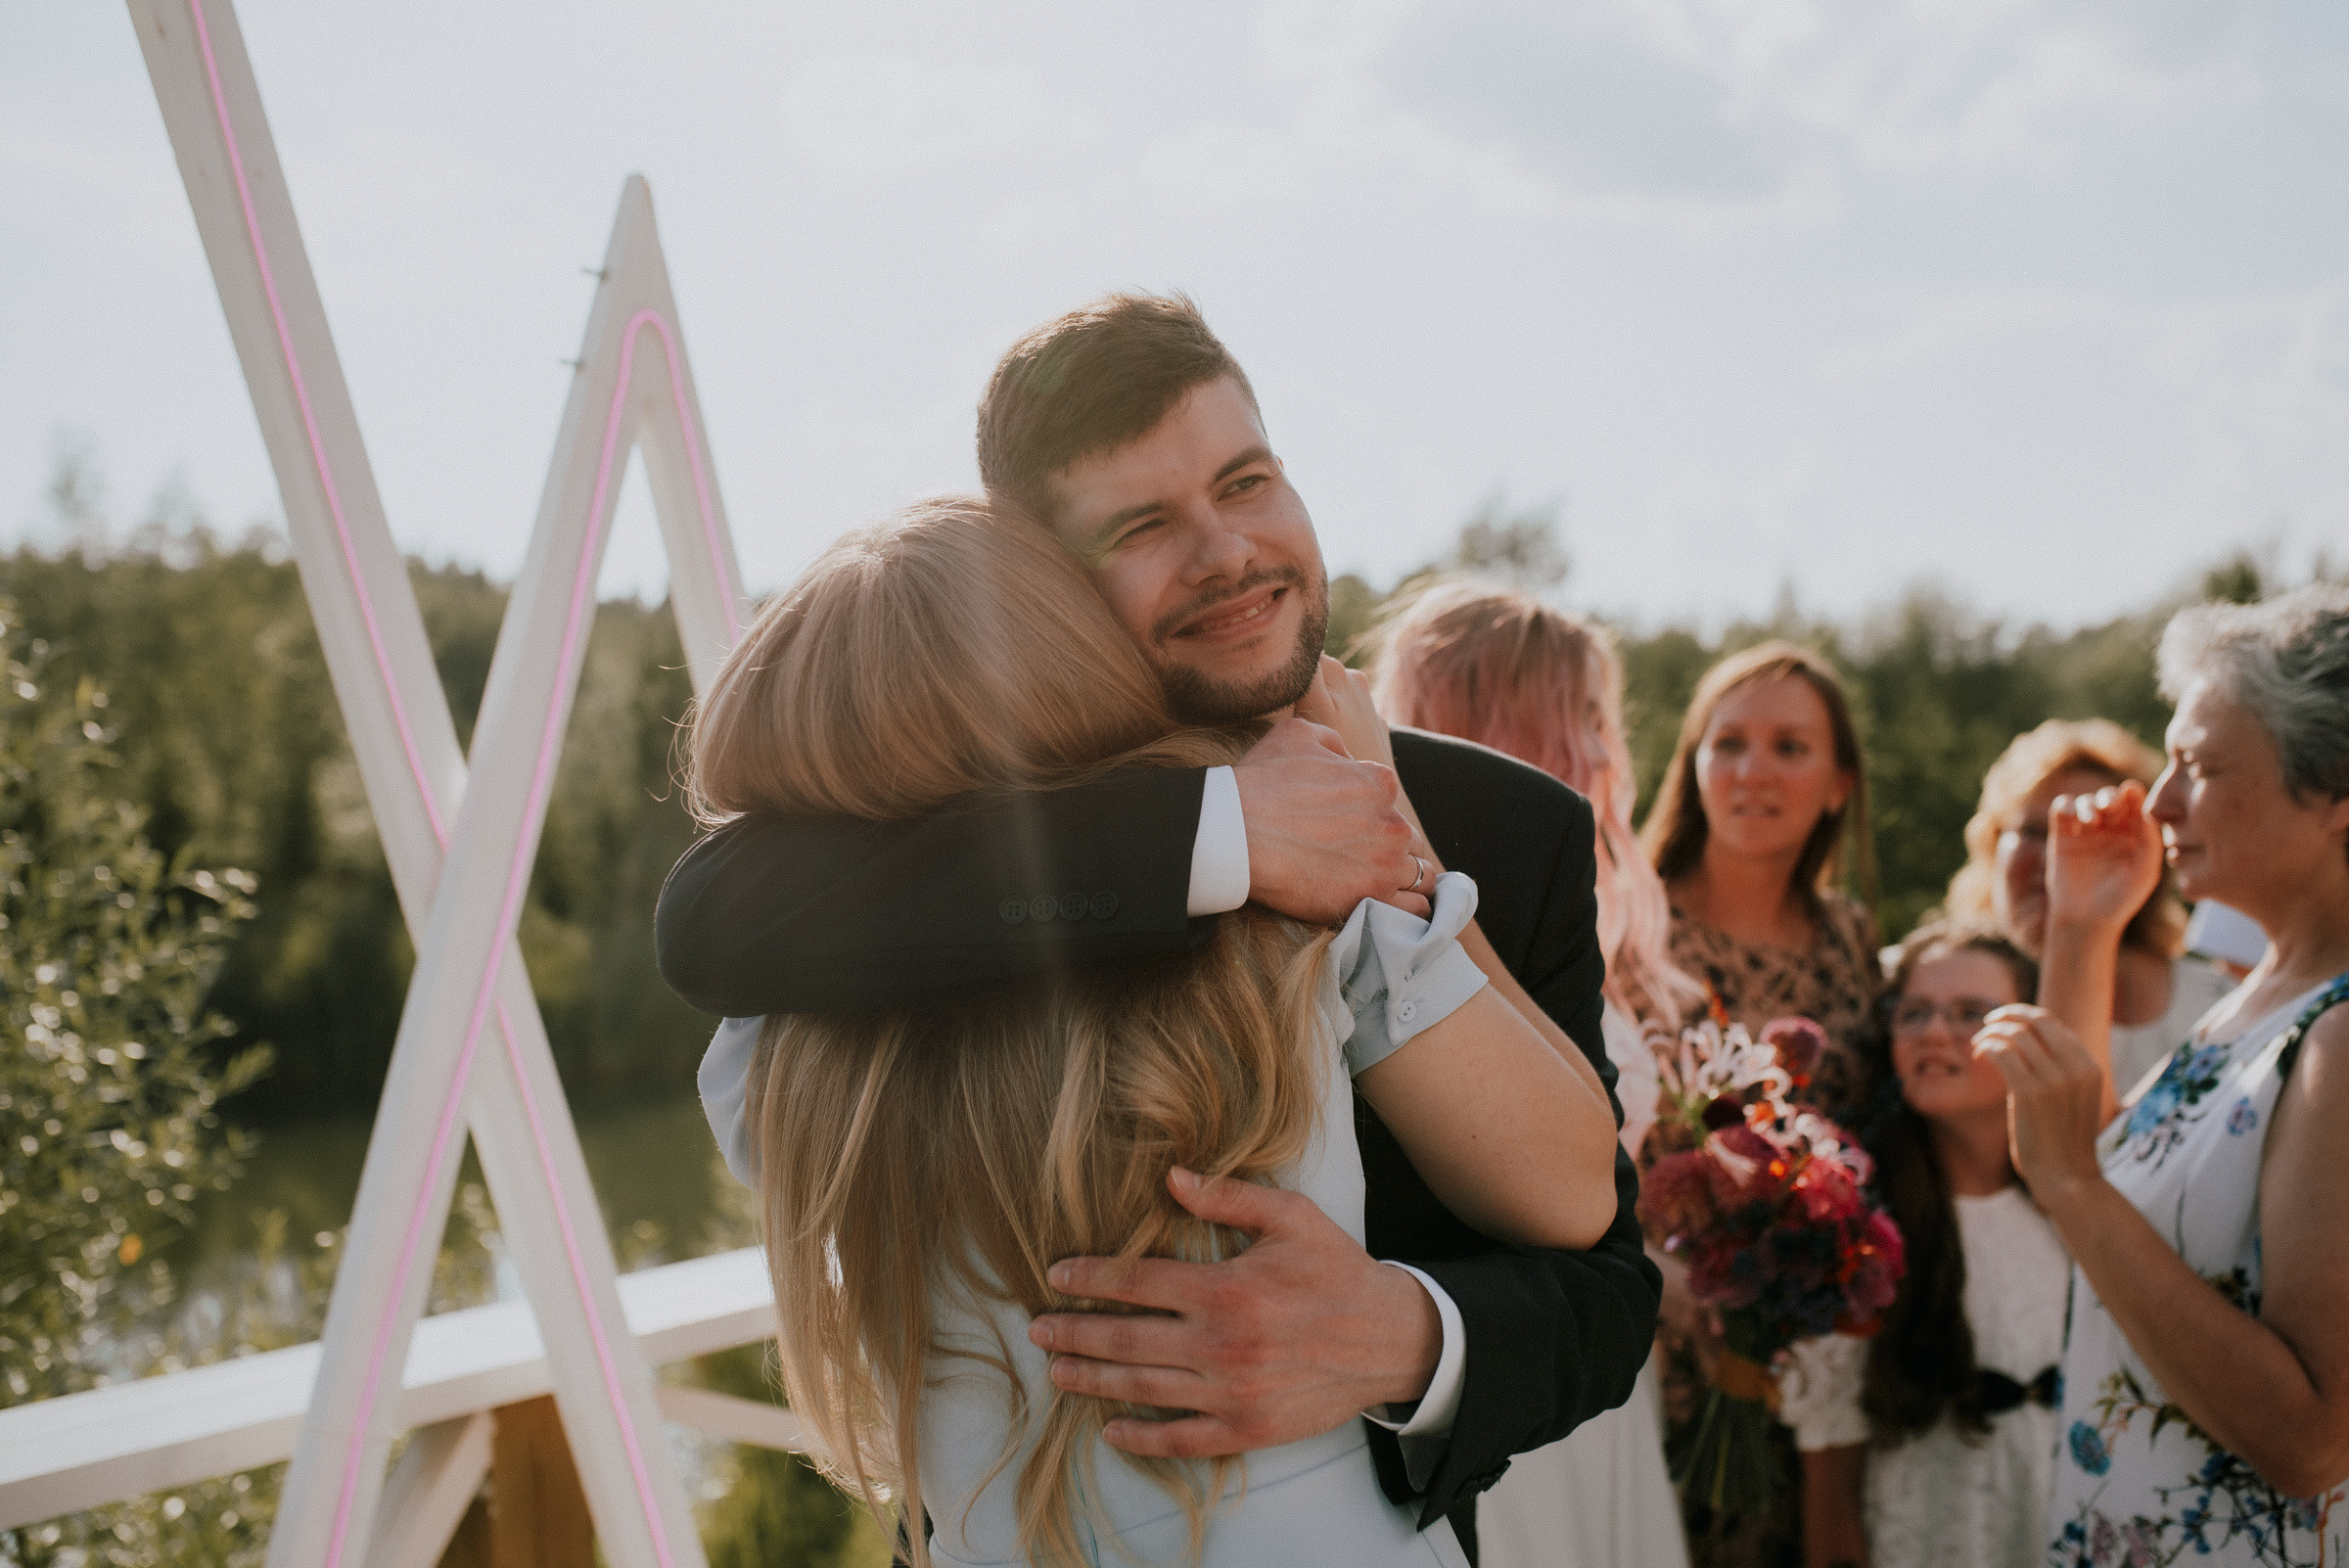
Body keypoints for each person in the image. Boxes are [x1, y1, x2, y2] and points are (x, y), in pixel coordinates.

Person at [655, 294, 1662, 1555]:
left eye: (1247, 481)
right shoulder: (940, 827)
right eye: (1141, 526)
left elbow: (1606, 1288)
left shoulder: (1512, 827)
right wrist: (1218, 831)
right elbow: (709, 917)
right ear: (1043, 580)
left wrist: (1395, 1333)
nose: (1229, 552)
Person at [1973, 582, 2349, 1565]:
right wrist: (2084, 924)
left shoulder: (2342, 1035)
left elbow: (2312, 1443)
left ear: (2338, 790)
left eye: (2200, 766)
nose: (2157, 800)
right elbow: (2109, 1161)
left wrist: (2072, 1188)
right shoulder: (2263, 991)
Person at [1368, 580, 1701, 1568]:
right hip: (1488, 1402)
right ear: (1476, 721)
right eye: (1576, 719)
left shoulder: (1576, 927)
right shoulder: (1399, 931)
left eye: (1604, 722)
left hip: (1594, 1380)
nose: (1605, 754)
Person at [1636, 639, 1882, 1568]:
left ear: (1838, 783)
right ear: (1693, 765)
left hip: (1822, 1360)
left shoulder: (1854, 938)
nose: (1753, 771)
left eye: (1790, 746)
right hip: (1658, 1342)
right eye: (1728, 743)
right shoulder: (1632, 929)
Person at [1776, 923, 2069, 1568]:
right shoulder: (1856, 1231)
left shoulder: (2072, 1206)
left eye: (1971, 1014)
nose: (1936, 1032)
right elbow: (1830, 1501)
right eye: (1915, 1013)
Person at [1944, 719, 2232, 1096]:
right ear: (1993, 844)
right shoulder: (1928, 991)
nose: (2057, 862)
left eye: (2093, 836)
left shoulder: (2219, 1005)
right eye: (2034, 831)